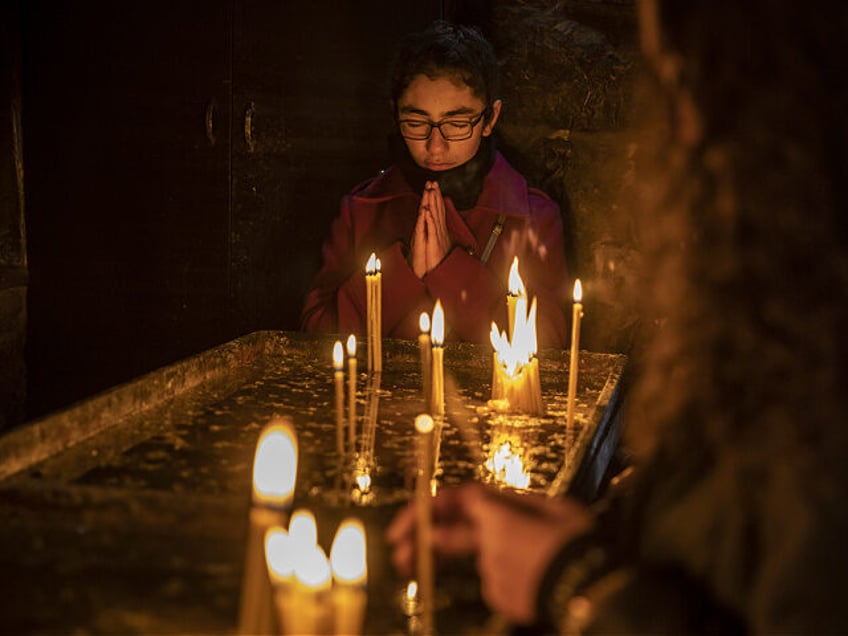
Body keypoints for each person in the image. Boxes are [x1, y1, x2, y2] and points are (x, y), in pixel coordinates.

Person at [388, 0, 848, 633]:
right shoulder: (776, 331)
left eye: (678, 84)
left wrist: (570, 577)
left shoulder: (531, 214)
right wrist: (604, 530)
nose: (668, 138)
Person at [300, 20, 570, 346]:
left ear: (490, 119)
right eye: (416, 122)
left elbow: (548, 348)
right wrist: (400, 270)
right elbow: (315, 340)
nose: (436, 146)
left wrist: (449, 268)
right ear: (395, 113)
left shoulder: (533, 217)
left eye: (457, 124)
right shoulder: (362, 209)